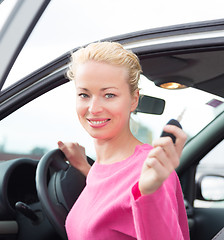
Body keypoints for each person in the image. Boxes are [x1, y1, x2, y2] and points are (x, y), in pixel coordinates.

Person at [58, 41, 190, 240]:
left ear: (134, 99)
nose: (94, 108)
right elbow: (112, 201)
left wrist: (149, 192)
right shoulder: (100, 167)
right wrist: (84, 167)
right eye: (84, 94)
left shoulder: (152, 171)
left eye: (109, 95)